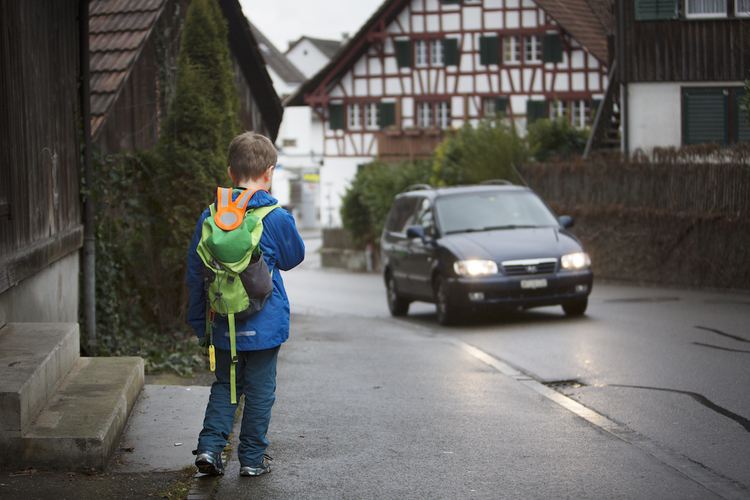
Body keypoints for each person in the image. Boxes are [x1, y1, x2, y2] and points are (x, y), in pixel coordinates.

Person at [186, 131, 305, 477]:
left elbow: (196, 274)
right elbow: (293, 257)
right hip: (266, 326)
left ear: (230, 173)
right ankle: (252, 460)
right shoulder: (275, 215)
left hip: (224, 322)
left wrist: (200, 324)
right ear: (269, 172)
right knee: (260, 391)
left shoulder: (211, 217)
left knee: (226, 384)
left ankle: (209, 449)